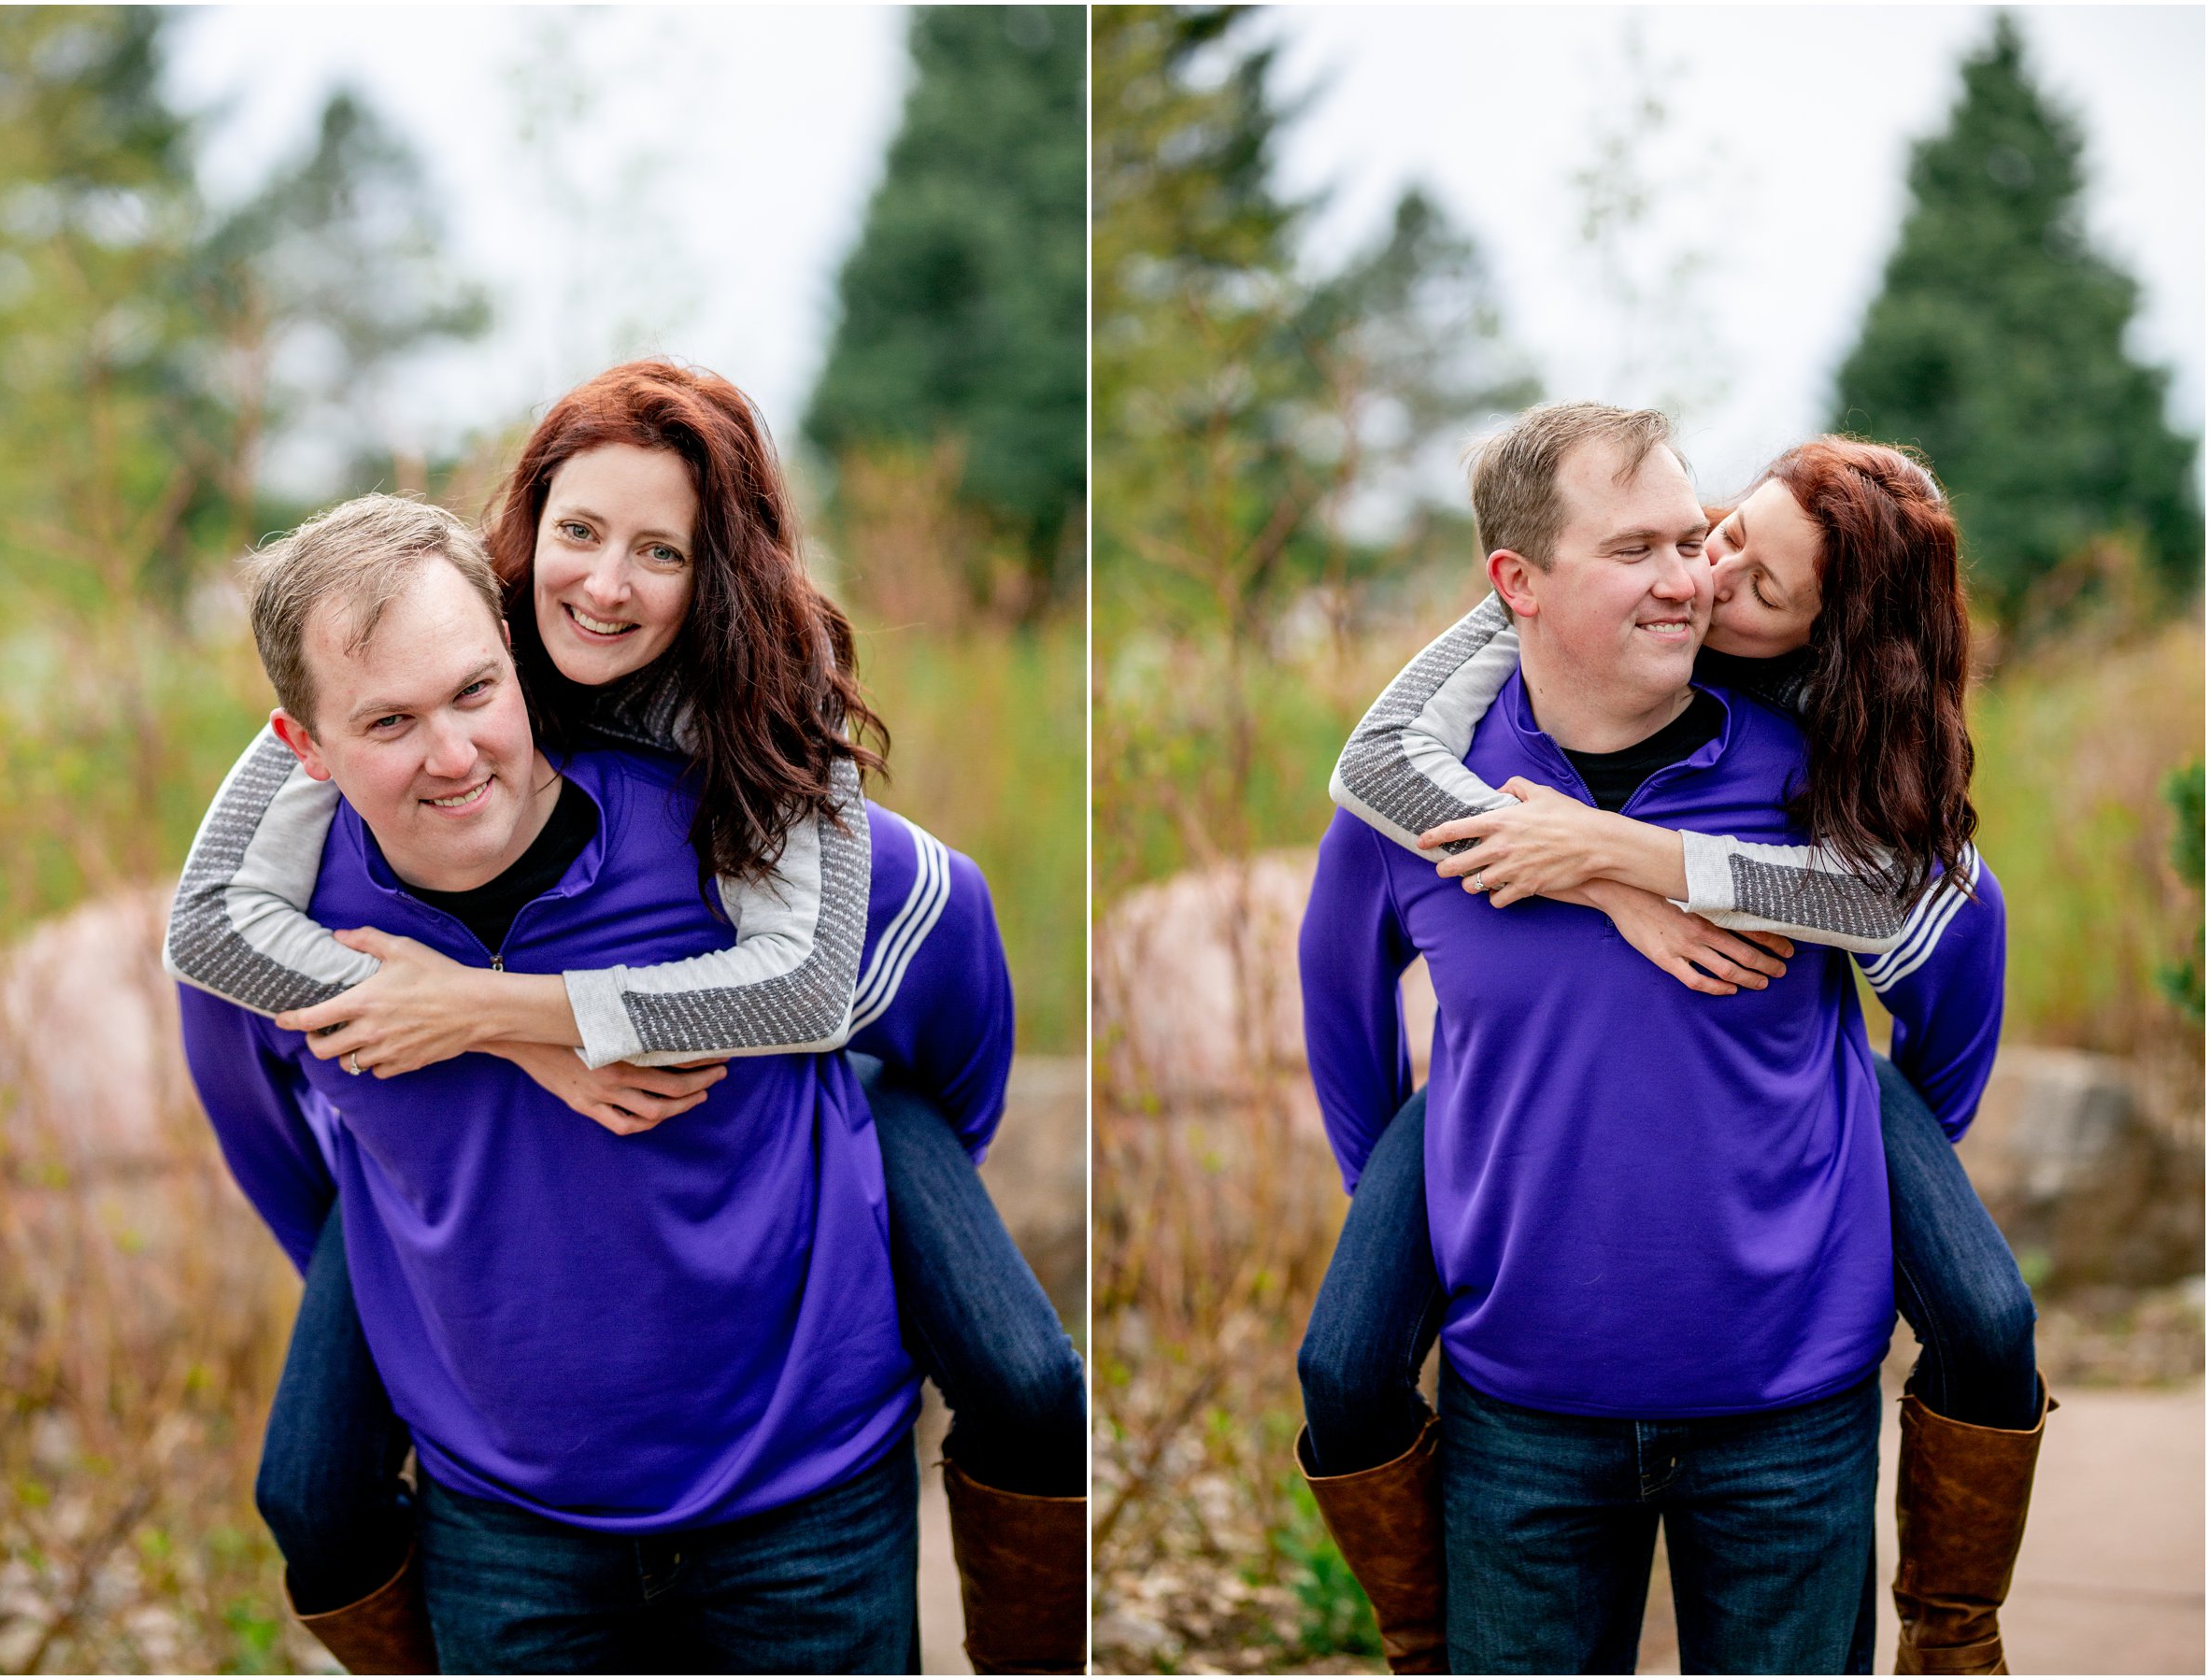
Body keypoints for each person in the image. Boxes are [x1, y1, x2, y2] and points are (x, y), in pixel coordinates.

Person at [168, 363, 1084, 1674]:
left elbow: (908, 963)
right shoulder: (399, 657)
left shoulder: (764, 742)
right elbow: (219, 978)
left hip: (800, 1468)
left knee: (1034, 1383)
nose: (604, 584)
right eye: (581, 534)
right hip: (513, 1513)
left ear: (712, 574)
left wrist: (865, 1124)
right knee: (308, 1489)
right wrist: (432, 1240)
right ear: (522, 539)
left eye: (661, 550)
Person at [1311, 415, 2046, 1675]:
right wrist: (1454, 1186)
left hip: (1789, 1409)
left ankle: (1958, 1622)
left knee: (1990, 1319)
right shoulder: (1424, 783)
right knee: (1340, 1361)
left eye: (1735, 570)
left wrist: (1866, 1156)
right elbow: (1342, 1011)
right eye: (1669, 541)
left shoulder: (1828, 772)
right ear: (1518, 584)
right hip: (1522, 1409)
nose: (1699, 576)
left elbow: (1945, 937)